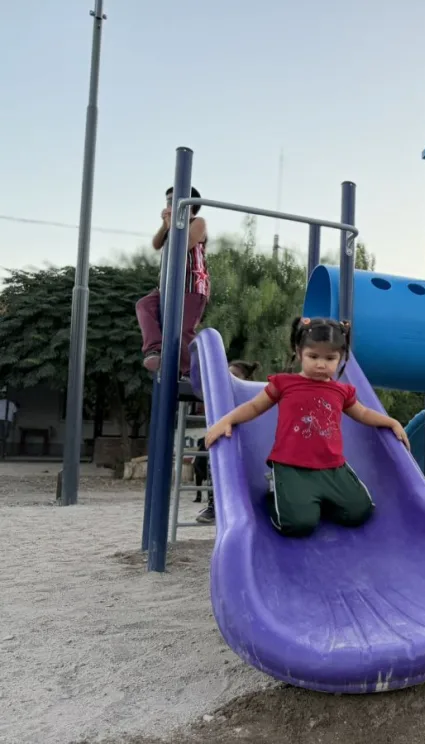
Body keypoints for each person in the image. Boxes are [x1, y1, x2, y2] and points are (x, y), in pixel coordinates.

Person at [204, 318, 409, 536]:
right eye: (313, 356)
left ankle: (313, 501)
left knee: (360, 512)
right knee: (298, 525)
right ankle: (280, 493)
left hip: (332, 467)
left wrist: (392, 422)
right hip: (292, 467)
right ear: (299, 351)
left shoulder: (341, 391)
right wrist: (227, 420)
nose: (321, 364)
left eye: (330, 358)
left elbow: (363, 413)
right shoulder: (284, 384)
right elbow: (254, 407)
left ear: (341, 358)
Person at [136, 186, 210, 378]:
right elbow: (156, 244)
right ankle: (155, 349)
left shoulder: (197, 222)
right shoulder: (171, 226)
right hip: (168, 287)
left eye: (173, 200)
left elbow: (184, 244)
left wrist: (171, 226)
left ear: (189, 204)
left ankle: (191, 372)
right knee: (145, 305)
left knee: (183, 329)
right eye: (168, 201)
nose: (169, 204)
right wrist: (165, 225)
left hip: (191, 286)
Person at [194, 360, 262, 525]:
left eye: (235, 376)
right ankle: (213, 506)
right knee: (210, 455)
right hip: (227, 441)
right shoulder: (220, 397)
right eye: (227, 374)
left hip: (247, 443)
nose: (229, 379)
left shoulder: (251, 397)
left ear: (245, 380)